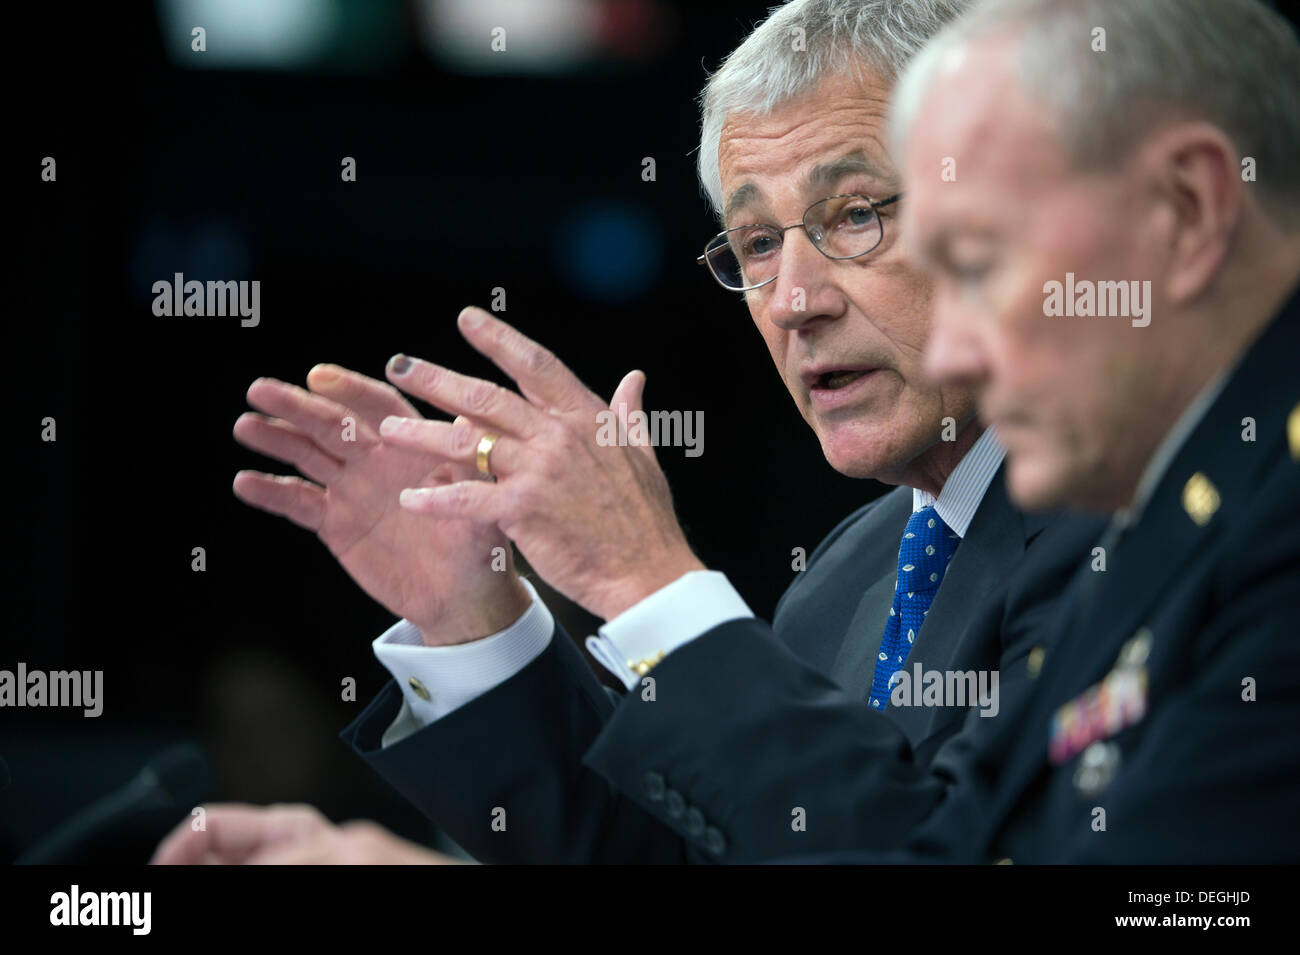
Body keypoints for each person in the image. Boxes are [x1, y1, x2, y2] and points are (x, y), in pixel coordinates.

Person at [152, 0, 1103, 866]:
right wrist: (471, 622)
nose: (793, 301)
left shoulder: (1120, 531)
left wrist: (649, 577)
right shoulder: (845, 583)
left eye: (854, 214)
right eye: (759, 243)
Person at [805, 0, 1299, 862]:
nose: (953, 347)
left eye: (978, 264)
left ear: (1187, 209)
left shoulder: (1269, 527)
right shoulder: (1155, 517)